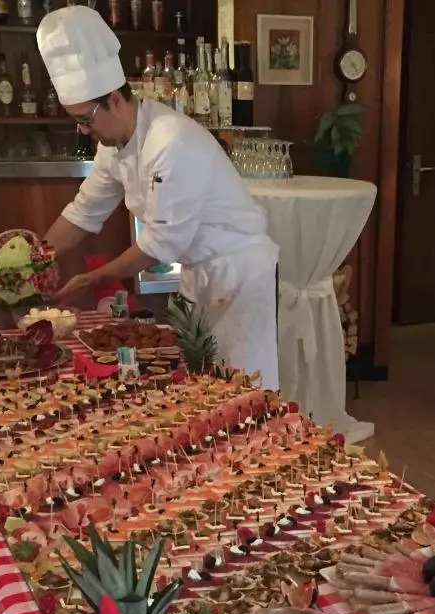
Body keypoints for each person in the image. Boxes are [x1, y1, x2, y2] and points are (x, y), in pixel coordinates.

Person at [38, 6, 280, 390]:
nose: (84, 130)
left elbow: (161, 245)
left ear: (114, 99)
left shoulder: (170, 140)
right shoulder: (113, 144)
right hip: (198, 274)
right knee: (200, 387)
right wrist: (36, 259)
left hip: (238, 273)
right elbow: (83, 212)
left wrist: (92, 279)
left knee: (244, 389)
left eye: (85, 119)